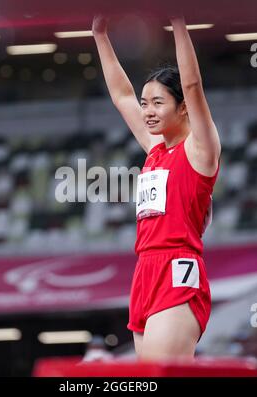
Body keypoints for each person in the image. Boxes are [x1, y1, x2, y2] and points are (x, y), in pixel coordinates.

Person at [92, 15, 221, 361]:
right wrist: (100, 35)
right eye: (145, 103)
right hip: (145, 271)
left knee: (162, 375)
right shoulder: (154, 149)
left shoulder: (200, 149)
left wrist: (178, 21)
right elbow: (122, 96)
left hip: (178, 268)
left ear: (182, 107)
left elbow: (193, 85)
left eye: (158, 103)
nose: (147, 111)